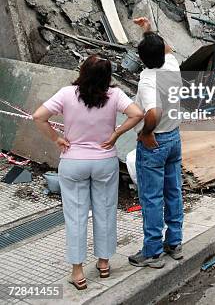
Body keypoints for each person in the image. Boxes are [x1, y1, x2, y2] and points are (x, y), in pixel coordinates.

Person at [33, 55, 143, 290]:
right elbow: (137, 114)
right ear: (107, 76)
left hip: (73, 162)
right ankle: (103, 264)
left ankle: (78, 272)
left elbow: (38, 116)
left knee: (76, 216)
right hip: (104, 162)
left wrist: (57, 139)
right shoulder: (114, 95)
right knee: (105, 210)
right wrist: (116, 134)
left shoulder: (66, 94)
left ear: (82, 72)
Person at [128, 17, 183, 269]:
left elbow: (153, 112)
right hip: (174, 139)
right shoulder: (172, 65)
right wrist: (149, 30)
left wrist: (146, 132)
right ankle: (174, 242)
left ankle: (152, 251)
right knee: (173, 191)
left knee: (151, 198)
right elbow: (168, 49)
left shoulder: (148, 79)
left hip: (156, 143)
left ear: (141, 59)